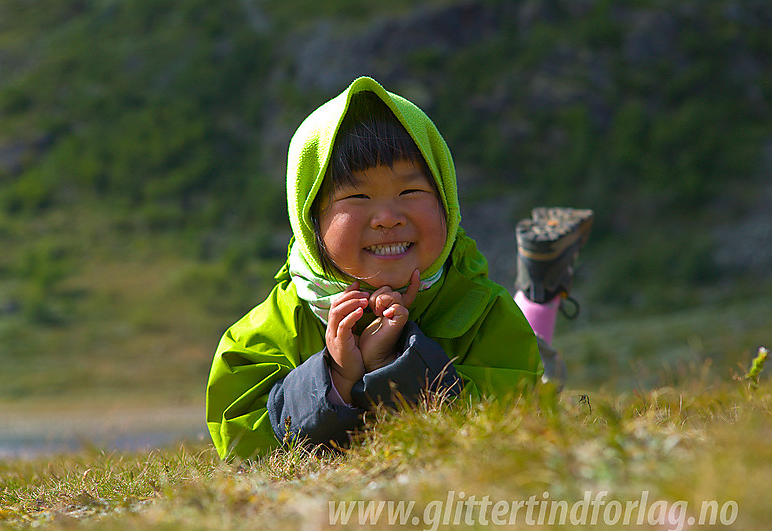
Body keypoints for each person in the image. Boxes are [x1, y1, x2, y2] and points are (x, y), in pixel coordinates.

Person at [205, 77, 592, 460]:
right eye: (357, 196)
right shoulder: (256, 340)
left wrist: (393, 366)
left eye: (410, 192)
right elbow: (242, 443)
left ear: (447, 203)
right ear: (310, 221)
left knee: (544, 376)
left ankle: (539, 297)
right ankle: (540, 290)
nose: (388, 218)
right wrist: (337, 378)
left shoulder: (484, 310)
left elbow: (512, 416)